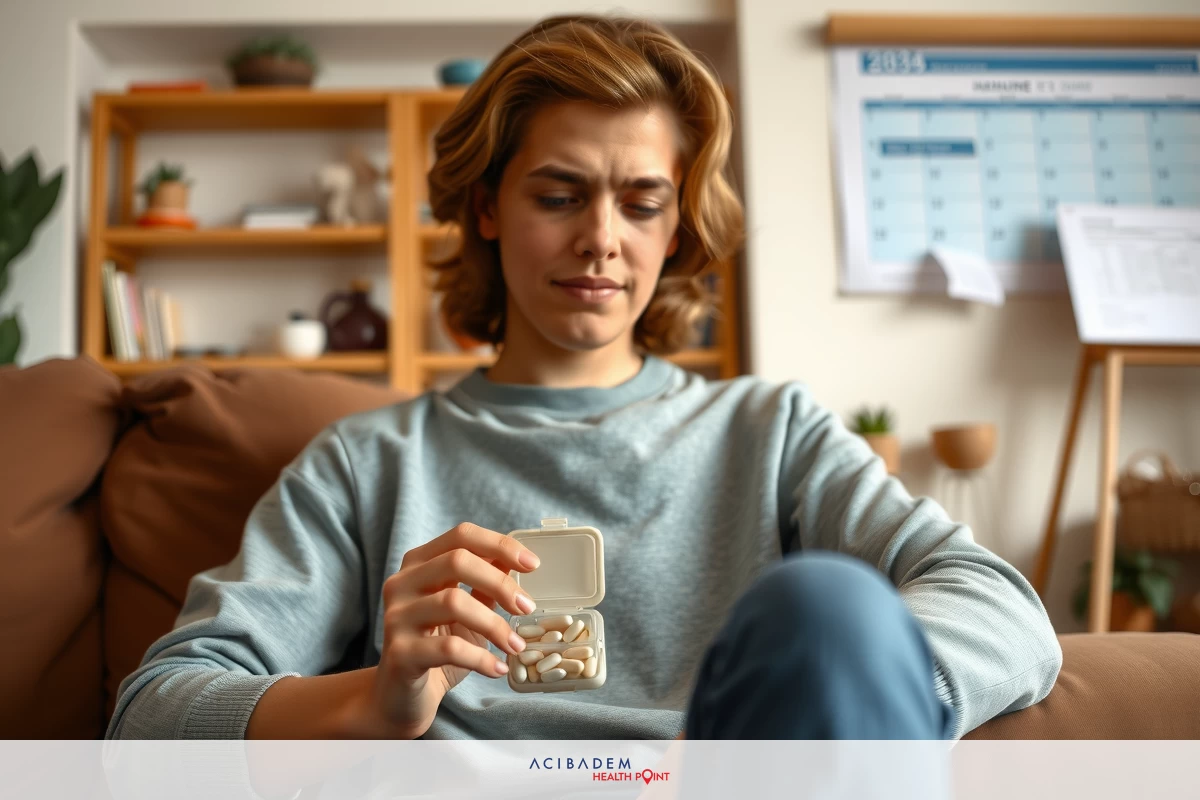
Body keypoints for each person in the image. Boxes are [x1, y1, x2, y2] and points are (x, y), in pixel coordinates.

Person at [105, 15, 1061, 742]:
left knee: (831, 610)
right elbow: (153, 712)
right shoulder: (369, 462)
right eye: (559, 195)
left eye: (642, 202)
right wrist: (374, 699)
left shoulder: (769, 431)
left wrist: (867, 687)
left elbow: (1003, 608)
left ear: (676, 228)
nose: (601, 238)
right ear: (486, 207)